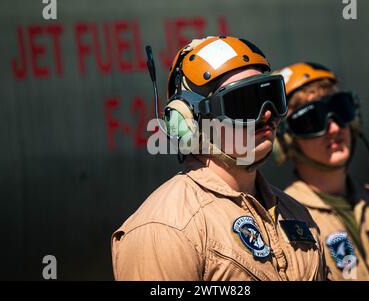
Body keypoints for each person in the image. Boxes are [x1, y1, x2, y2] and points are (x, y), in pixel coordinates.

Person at [111, 37, 330, 280]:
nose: (266, 113)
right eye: (244, 103)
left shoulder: (296, 213)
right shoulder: (165, 229)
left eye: (271, 96)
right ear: (189, 122)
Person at [272, 62, 369, 280]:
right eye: (313, 118)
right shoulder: (284, 223)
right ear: (286, 140)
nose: (334, 128)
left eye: (340, 110)